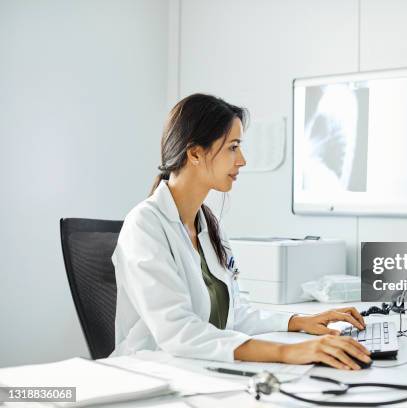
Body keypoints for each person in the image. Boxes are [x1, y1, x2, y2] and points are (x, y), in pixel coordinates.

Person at [111, 93, 371, 370]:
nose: (242, 160)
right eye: (233, 147)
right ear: (195, 153)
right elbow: (180, 333)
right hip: (151, 373)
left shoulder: (208, 225)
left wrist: (298, 322)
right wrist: (289, 352)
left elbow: (236, 314)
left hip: (200, 369)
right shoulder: (144, 225)